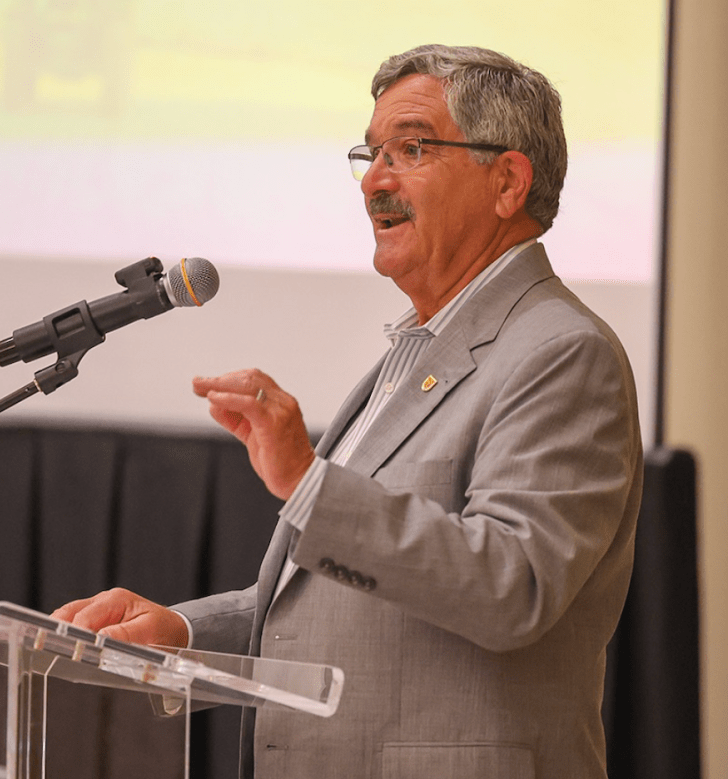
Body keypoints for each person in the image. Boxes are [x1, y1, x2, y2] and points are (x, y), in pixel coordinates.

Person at [54, 44, 643, 779]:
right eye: (370, 154)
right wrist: (183, 633)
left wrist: (308, 478)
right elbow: (346, 607)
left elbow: (508, 586)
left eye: (411, 148)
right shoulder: (412, 353)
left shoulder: (560, 353)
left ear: (507, 180)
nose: (374, 182)